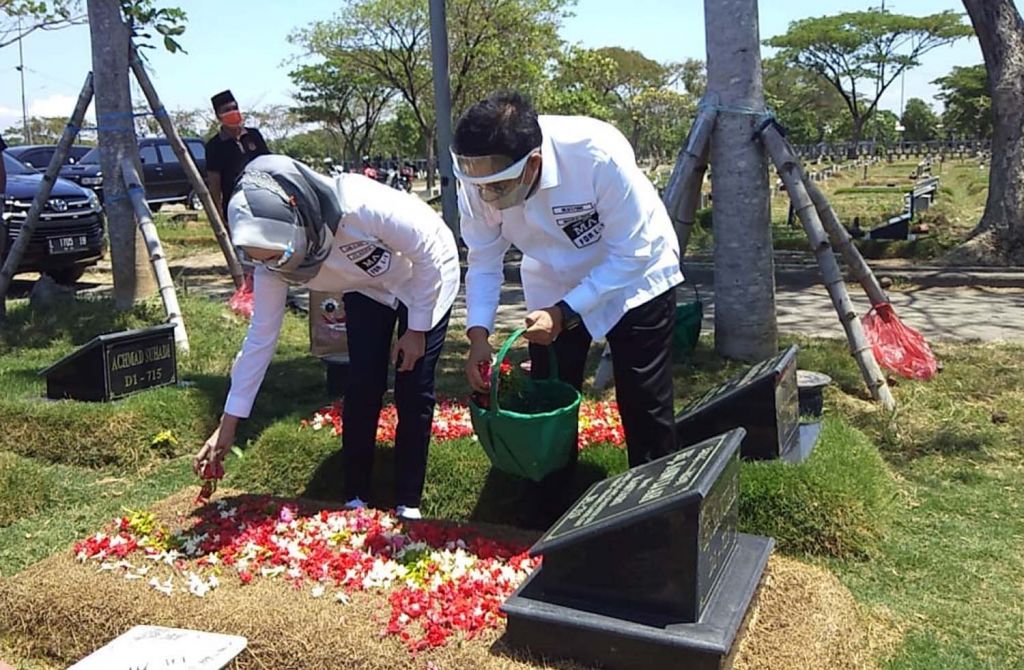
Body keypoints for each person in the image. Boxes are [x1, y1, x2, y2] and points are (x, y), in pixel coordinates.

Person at [454, 91, 682, 519]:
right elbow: (484, 258)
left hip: (634, 275)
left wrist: (566, 313)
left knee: (643, 399)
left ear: (533, 163)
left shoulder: (597, 154)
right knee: (550, 391)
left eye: (498, 187)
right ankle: (551, 503)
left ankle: (656, 511)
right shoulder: (477, 179)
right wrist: (478, 336)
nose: (487, 197)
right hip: (550, 280)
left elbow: (631, 253)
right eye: (478, 186)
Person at [193, 154, 460, 520]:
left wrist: (416, 331)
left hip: (426, 273)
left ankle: (408, 501)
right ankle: (355, 497)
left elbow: (427, 255)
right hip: (366, 287)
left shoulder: (360, 207)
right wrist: (227, 426)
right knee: (363, 382)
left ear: (298, 220)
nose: (278, 266)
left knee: (413, 386)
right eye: (264, 259)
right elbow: (261, 339)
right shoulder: (273, 266)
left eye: (280, 253)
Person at [204, 90, 270, 220]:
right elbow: (214, 184)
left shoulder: (254, 135)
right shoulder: (214, 145)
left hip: (263, 200)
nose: (233, 112)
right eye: (227, 110)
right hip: (236, 206)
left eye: (235, 108)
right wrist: (218, 216)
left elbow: (269, 164)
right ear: (219, 116)